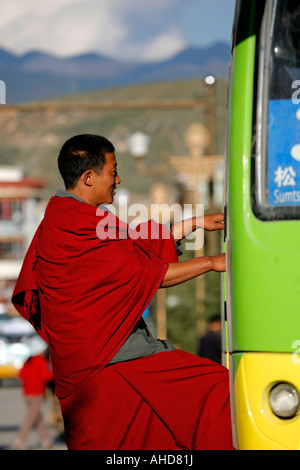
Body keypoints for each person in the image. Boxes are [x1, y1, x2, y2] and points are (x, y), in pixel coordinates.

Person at [12, 134, 233, 450]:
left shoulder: (71, 217)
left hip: (106, 362)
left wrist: (191, 223)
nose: (118, 178)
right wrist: (213, 262)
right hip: (113, 360)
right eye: (113, 170)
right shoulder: (73, 223)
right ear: (89, 177)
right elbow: (150, 272)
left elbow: (133, 248)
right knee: (219, 395)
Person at [12, 336, 54, 450]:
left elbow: (21, 375)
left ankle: (46, 441)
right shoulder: (40, 361)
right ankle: (19, 440)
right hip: (37, 395)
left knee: (37, 418)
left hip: (27, 395)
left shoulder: (27, 361)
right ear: (40, 350)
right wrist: (55, 375)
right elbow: (46, 376)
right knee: (31, 419)